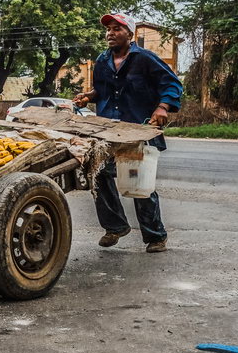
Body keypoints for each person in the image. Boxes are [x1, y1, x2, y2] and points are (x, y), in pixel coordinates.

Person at [74, 13, 183, 253]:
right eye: (108, 29)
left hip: (137, 130)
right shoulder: (102, 61)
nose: (110, 33)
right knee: (97, 172)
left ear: (129, 34)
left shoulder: (145, 59)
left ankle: (156, 236)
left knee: (137, 182)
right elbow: (102, 91)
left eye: (117, 29)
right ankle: (115, 226)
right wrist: (88, 97)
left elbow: (172, 84)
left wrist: (163, 106)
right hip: (108, 132)